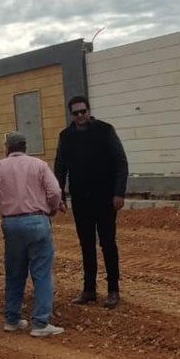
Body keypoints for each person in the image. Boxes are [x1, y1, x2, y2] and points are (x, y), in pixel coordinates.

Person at [0, 132, 65, 337]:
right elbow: (54, 192)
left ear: (7, 148)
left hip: (11, 223)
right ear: (25, 146)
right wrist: (53, 207)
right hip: (37, 220)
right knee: (41, 273)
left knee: (14, 272)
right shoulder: (39, 165)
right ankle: (40, 322)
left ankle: (12, 319)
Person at [54, 95, 129, 309]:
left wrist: (119, 193)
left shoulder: (105, 131)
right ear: (71, 114)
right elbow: (60, 167)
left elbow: (121, 162)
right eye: (76, 113)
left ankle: (113, 289)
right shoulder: (66, 136)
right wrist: (59, 195)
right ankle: (89, 290)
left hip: (105, 198)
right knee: (86, 245)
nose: (80, 116)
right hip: (81, 200)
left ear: (89, 111)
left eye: (83, 111)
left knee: (108, 243)